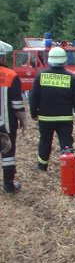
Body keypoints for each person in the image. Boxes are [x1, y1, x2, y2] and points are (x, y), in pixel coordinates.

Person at [30, 47, 75, 172]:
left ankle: (42, 167)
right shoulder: (70, 77)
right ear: (65, 61)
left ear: (49, 60)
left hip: (45, 117)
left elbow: (34, 97)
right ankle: (68, 168)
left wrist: (34, 113)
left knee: (45, 142)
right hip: (64, 118)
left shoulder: (41, 75)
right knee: (66, 144)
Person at [0, 40, 27, 193]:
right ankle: (8, 185)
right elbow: (17, 103)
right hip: (6, 124)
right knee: (8, 154)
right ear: (3, 58)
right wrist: (23, 120)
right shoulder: (11, 75)